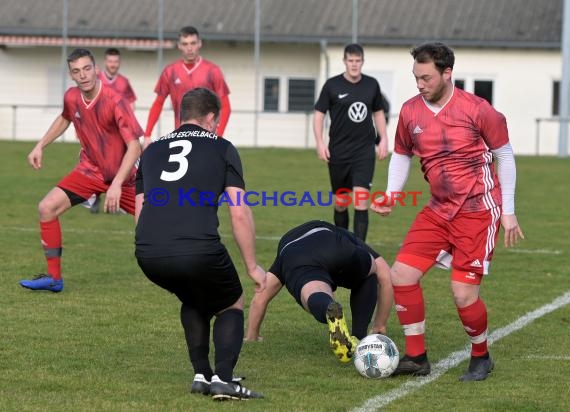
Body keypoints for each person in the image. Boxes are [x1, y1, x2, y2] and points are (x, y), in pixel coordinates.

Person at [371, 42, 525, 381]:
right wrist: (391, 194)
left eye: (426, 77)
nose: (420, 84)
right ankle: (416, 356)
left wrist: (508, 210)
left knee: (462, 292)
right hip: (438, 211)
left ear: (447, 73)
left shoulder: (479, 110)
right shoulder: (411, 111)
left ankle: (481, 356)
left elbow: (505, 156)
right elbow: (401, 154)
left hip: (478, 211)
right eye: (416, 77)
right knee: (402, 275)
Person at [135, 88, 266, 401]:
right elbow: (239, 213)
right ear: (210, 118)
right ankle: (223, 380)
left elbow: (140, 207)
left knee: (195, 297)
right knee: (231, 301)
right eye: (216, 120)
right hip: (197, 248)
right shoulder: (222, 148)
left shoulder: (150, 151)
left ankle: (201, 374)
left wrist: (152, 243)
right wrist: (252, 266)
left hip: (148, 251)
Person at [19, 48, 143, 293]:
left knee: (155, 230)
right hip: (90, 171)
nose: (83, 75)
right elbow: (65, 118)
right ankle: (54, 279)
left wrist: (117, 184)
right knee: (47, 207)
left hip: (126, 178)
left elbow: (135, 146)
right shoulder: (72, 97)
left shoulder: (116, 100)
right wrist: (40, 145)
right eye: (76, 71)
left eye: (87, 69)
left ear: (96, 70)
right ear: (71, 75)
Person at [245, 220, 393, 363]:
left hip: (296, 256)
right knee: (370, 272)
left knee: (314, 291)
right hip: (334, 243)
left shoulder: (284, 255)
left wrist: (252, 336)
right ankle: (358, 338)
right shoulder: (343, 234)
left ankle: (328, 309)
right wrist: (380, 325)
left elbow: (260, 298)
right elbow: (384, 272)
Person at [313, 43, 389, 242]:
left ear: (362, 62)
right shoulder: (332, 85)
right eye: (351, 61)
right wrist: (320, 142)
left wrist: (384, 139)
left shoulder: (372, 85)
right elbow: (319, 114)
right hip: (338, 151)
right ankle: (342, 244)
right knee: (341, 202)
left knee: (361, 200)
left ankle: (360, 251)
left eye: (358, 61)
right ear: (345, 62)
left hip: (364, 151)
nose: (354, 65)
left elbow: (378, 112)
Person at [143, 25, 230, 148]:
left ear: (199, 43)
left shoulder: (212, 71)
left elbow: (226, 106)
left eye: (193, 43)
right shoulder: (170, 71)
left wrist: (218, 136)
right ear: (179, 46)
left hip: (206, 138)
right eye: (185, 44)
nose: (189, 48)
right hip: (180, 136)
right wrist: (147, 135)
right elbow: (158, 103)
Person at [87, 47, 138, 214]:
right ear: (105, 62)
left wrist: (129, 123)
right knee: (96, 165)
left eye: (116, 61)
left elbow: (131, 103)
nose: (113, 64)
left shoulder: (124, 82)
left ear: (119, 63)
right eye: (110, 61)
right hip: (97, 131)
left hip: (119, 132)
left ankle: (119, 200)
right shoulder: (96, 78)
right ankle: (94, 198)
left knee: (120, 165)